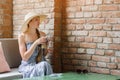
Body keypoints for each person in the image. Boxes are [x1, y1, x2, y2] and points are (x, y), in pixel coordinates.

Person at [18, 11, 53, 78]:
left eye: (39, 20)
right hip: (28, 65)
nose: (39, 22)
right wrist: (36, 42)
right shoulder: (22, 36)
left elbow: (44, 54)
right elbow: (25, 57)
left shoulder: (42, 34)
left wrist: (47, 47)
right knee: (44, 65)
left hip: (41, 63)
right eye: (36, 20)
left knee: (45, 64)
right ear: (29, 22)